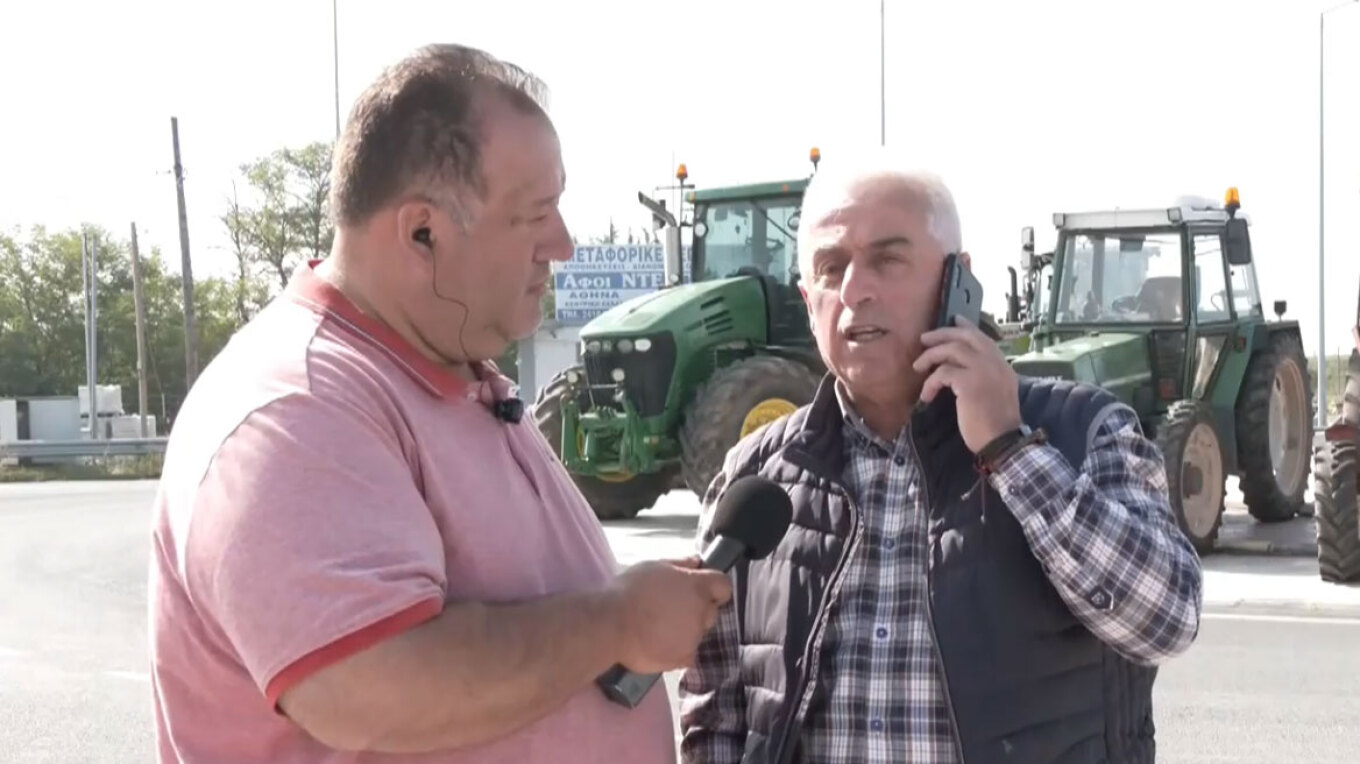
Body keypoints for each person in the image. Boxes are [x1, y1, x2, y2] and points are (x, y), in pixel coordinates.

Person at [148, 43, 731, 763]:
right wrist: (617, 623)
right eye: (536, 214)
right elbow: (372, 687)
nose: (564, 244)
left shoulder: (441, 373)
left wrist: (633, 604)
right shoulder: (299, 405)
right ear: (422, 232)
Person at [677, 154, 1203, 764]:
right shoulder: (755, 479)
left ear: (958, 280)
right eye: (831, 268)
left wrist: (1010, 449)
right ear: (807, 299)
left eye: (887, 260)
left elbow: (1166, 620)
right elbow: (715, 716)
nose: (854, 290)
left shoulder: (1082, 434)